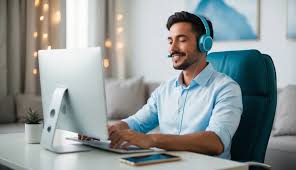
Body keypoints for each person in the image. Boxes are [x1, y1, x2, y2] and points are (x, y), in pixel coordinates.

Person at [108, 11, 242, 159]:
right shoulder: (166, 89)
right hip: (167, 164)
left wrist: (153, 139)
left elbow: (216, 141)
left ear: (204, 44)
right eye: (171, 41)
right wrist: (107, 131)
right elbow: (136, 123)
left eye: (181, 40)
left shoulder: (226, 88)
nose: (172, 49)